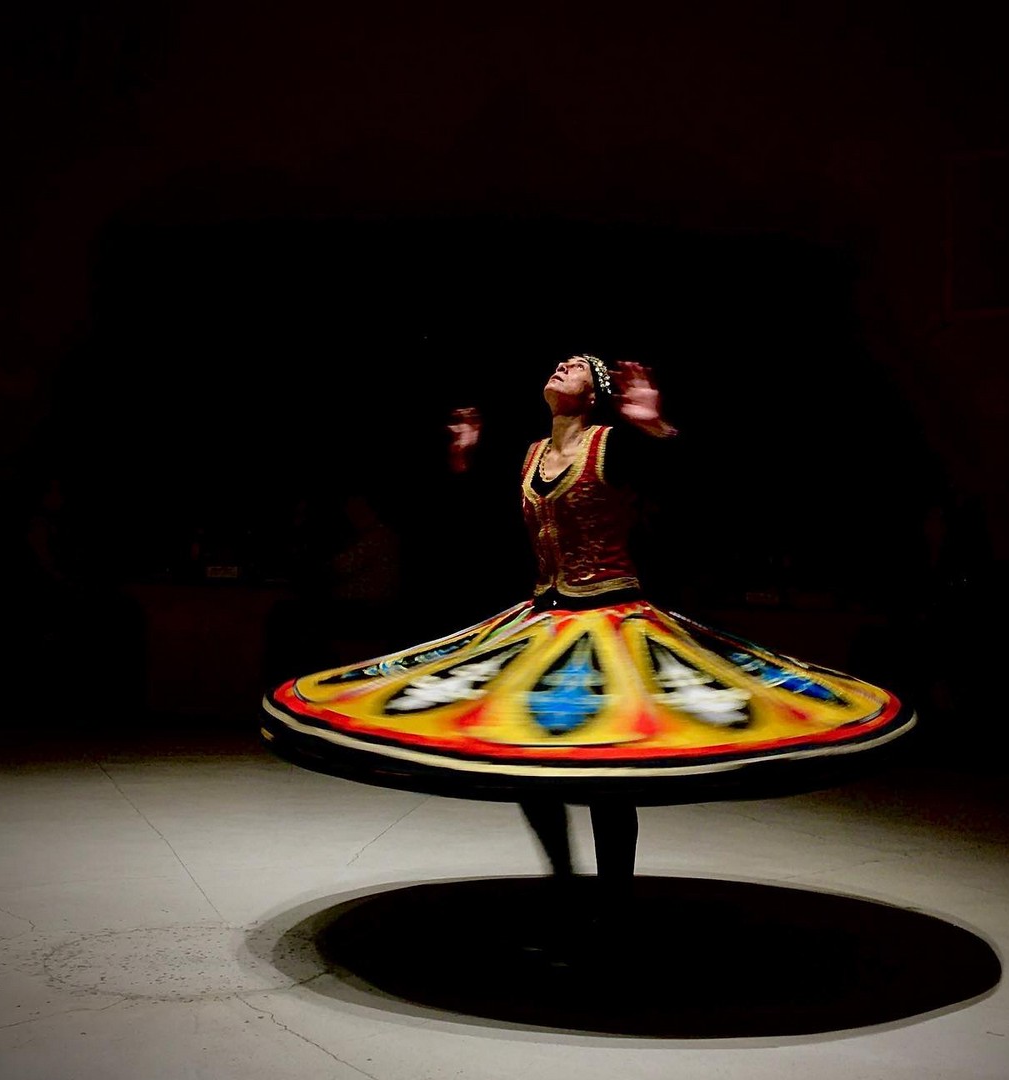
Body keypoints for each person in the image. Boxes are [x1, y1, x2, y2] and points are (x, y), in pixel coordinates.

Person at [262, 354, 915, 939]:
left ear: (595, 394)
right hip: (544, 620)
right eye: (558, 363)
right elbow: (476, 525)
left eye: (575, 367)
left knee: (607, 772)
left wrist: (655, 426)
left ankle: (613, 901)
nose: (560, 368)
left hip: (611, 618)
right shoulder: (528, 456)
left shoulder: (614, 446)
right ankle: (566, 881)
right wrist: (462, 463)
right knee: (529, 759)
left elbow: (691, 483)